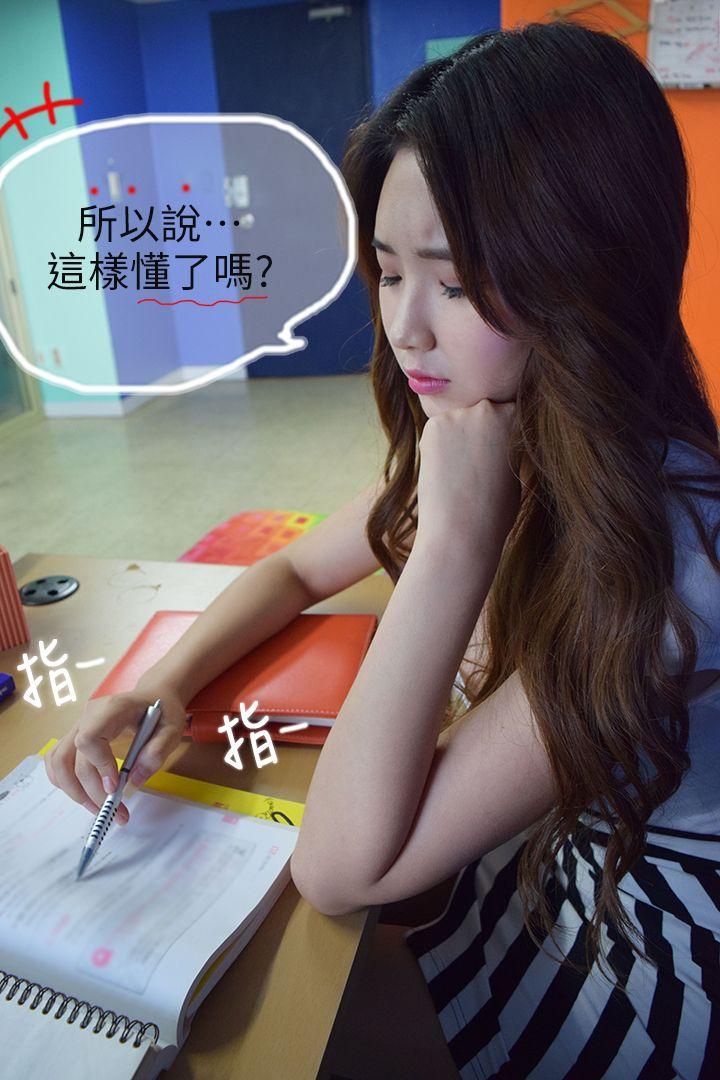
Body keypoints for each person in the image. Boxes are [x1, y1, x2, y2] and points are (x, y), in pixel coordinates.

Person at [45, 19, 720, 1078]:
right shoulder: (512, 426)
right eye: (388, 271)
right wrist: (163, 687)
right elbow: (291, 568)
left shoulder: (671, 572)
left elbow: (342, 869)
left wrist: (451, 546)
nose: (405, 327)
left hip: (635, 963)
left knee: (242, 1029)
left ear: (591, 278)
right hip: (527, 874)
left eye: (453, 283)